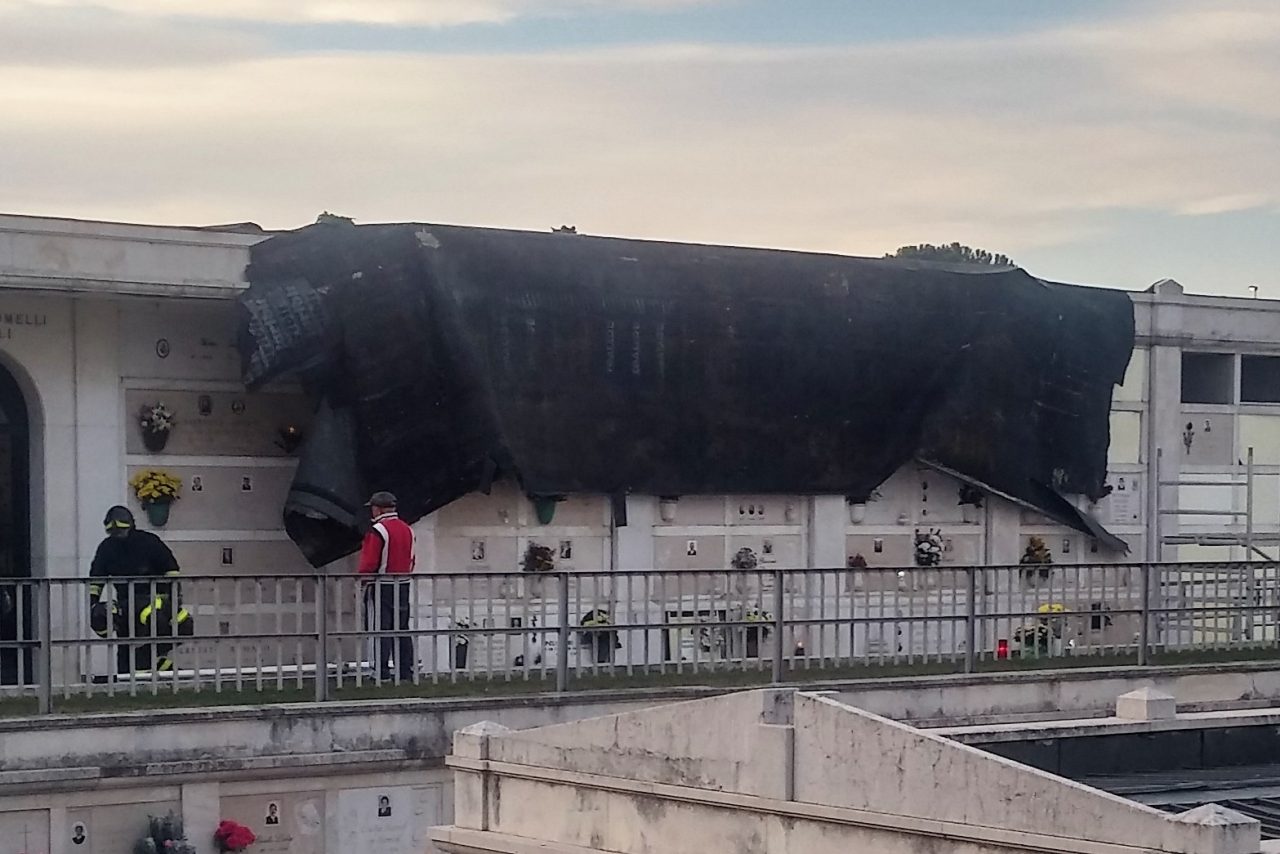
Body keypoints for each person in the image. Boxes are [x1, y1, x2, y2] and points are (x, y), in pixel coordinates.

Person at [89, 505, 191, 674]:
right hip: (127, 608)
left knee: (142, 656)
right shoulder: (106, 548)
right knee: (127, 660)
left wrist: (174, 599)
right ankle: (165, 674)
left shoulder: (148, 542)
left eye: (121, 530)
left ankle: (168, 674)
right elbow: (96, 579)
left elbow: (171, 569)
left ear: (130, 526)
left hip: (156, 606)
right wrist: (93, 605)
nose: (118, 535)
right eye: (113, 532)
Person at [357, 491, 416, 682]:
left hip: (380, 584)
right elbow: (412, 560)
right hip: (403, 583)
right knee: (401, 628)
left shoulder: (378, 530)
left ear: (378, 509)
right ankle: (405, 671)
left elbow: (369, 562)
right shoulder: (408, 529)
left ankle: (379, 672)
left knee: (378, 629)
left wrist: (362, 582)